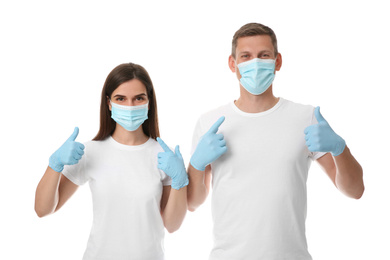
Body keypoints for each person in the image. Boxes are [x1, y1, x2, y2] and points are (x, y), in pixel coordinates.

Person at [187, 23, 364, 260]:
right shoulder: (210, 122)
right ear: (233, 63)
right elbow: (193, 203)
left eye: (264, 55)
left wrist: (340, 149)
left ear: (277, 61)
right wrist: (196, 166)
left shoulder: (306, 117)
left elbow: (355, 190)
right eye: (246, 56)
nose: (255, 63)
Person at [35, 63, 188, 260]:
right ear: (109, 103)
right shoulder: (90, 151)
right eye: (121, 99)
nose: (130, 106)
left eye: (138, 98)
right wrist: (54, 164)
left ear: (149, 102)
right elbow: (42, 209)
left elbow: (172, 225)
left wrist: (179, 181)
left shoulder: (164, 157)